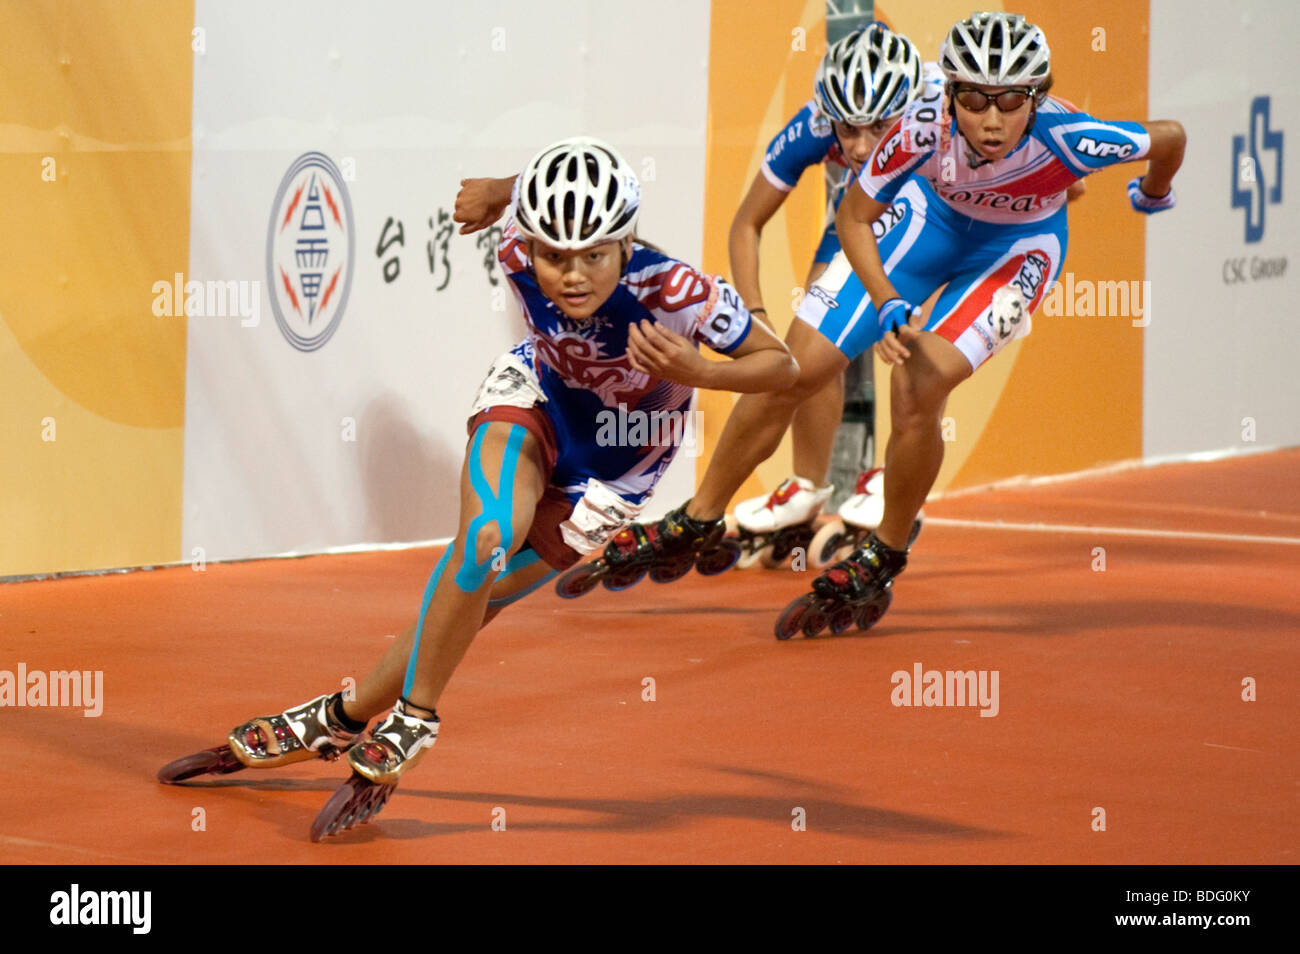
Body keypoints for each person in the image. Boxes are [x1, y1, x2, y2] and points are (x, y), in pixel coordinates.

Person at [157, 136, 798, 839]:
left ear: (627, 243)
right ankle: (414, 719)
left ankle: (337, 717)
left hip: (619, 465)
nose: (572, 275)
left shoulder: (680, 293)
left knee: (476, 601)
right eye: (554, 255)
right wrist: (501, 187)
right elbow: (532, 196)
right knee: (486, 540)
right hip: (539, 402)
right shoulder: (516, 246)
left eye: (593, 256)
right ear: (530, 241)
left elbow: (781, 367)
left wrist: (703, 373)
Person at [776, 10, 1185, 637]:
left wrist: (1154, 193)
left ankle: (884, 551)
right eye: (973, 98)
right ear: (948, 93)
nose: (991, 120)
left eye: (1010, 101)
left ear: (1037, 96)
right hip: (940, 226)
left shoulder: (1075, 137)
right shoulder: (919, 127)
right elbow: (854, 216)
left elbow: (1170, 136)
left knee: (918, 383)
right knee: (849, 357)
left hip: (1017, 249)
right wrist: (886, 299)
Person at [725, 22, 927, 566]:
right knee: (812, 334)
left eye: (878, 128)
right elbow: (746, 224)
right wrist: (755, 318)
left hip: (949, 221)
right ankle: (808, 486)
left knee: (918, 329)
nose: (860, 146)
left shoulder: (948, 109)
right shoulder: (814, 123)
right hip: (861, 217)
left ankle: (898, 469)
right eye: (848, 130)